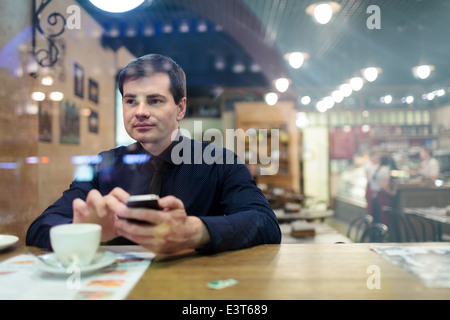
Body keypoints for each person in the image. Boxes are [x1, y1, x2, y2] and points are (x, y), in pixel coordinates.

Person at [26, 54, 281, 254]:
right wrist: (81, 231)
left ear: (180, 108)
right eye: (131, 101)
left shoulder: (219, 162)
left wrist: (196, 232)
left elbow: (265, 224)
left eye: (155, 100)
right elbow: (39, 228)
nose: (140, 111)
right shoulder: (102, 166)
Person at [369, 155, 397, 224]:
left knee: (376, 216)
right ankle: (383, 233)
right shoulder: (385, 170)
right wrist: (392, 192)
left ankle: (376, 233)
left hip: (375, 195)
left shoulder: (376, 168)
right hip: (382, 195)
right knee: (384, 217)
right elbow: (383, 185)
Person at [364, 150, 380, 216]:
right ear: (372, 157)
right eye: (376, 157)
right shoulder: (368, 165)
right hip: (370, 188)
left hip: (374, 188)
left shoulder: (375, 165)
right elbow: (370, 179)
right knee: (370, 208)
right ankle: (370, 224)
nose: (377, 159)